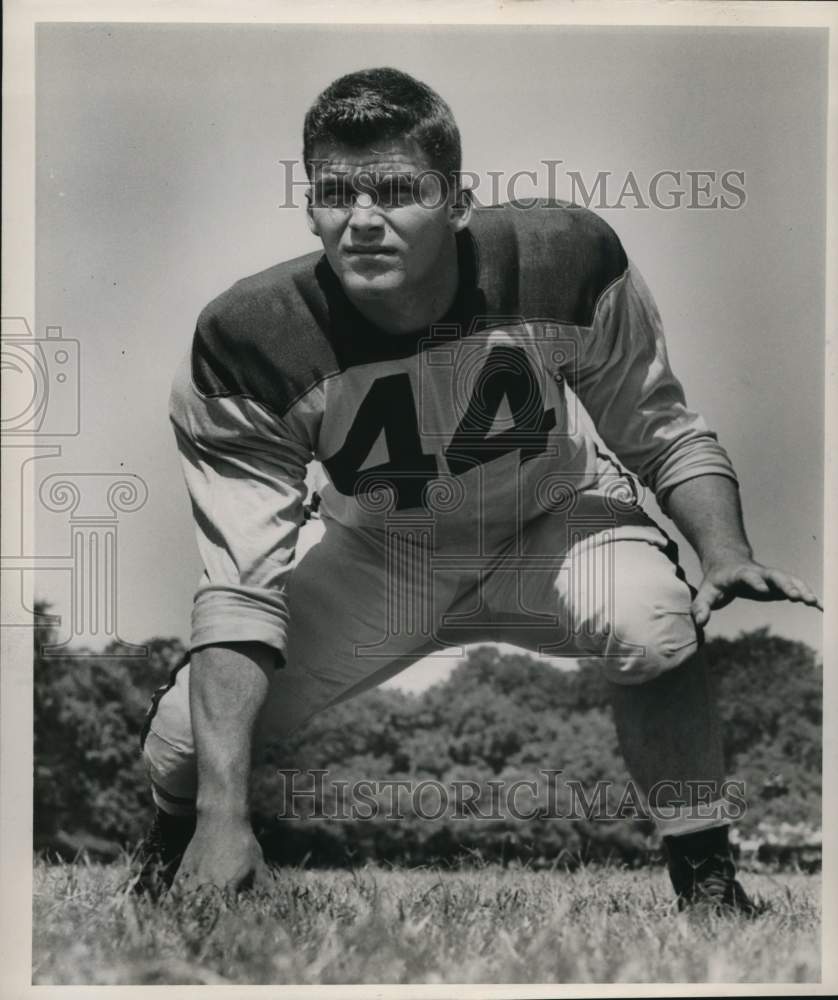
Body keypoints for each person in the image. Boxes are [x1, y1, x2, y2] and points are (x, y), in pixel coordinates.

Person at [137, 67, 821, 908]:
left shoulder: (561, 259)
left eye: (395, 190)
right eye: (334, 193)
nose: (361, 220)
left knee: (652, 618)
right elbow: (241, 589)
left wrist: (723, 550)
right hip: (382, 550)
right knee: (180, 742)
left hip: (557, 517)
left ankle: (706, 878)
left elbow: (658, 428)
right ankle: (176, 857)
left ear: (458, 202)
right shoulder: (250, 342)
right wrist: (221, 813)